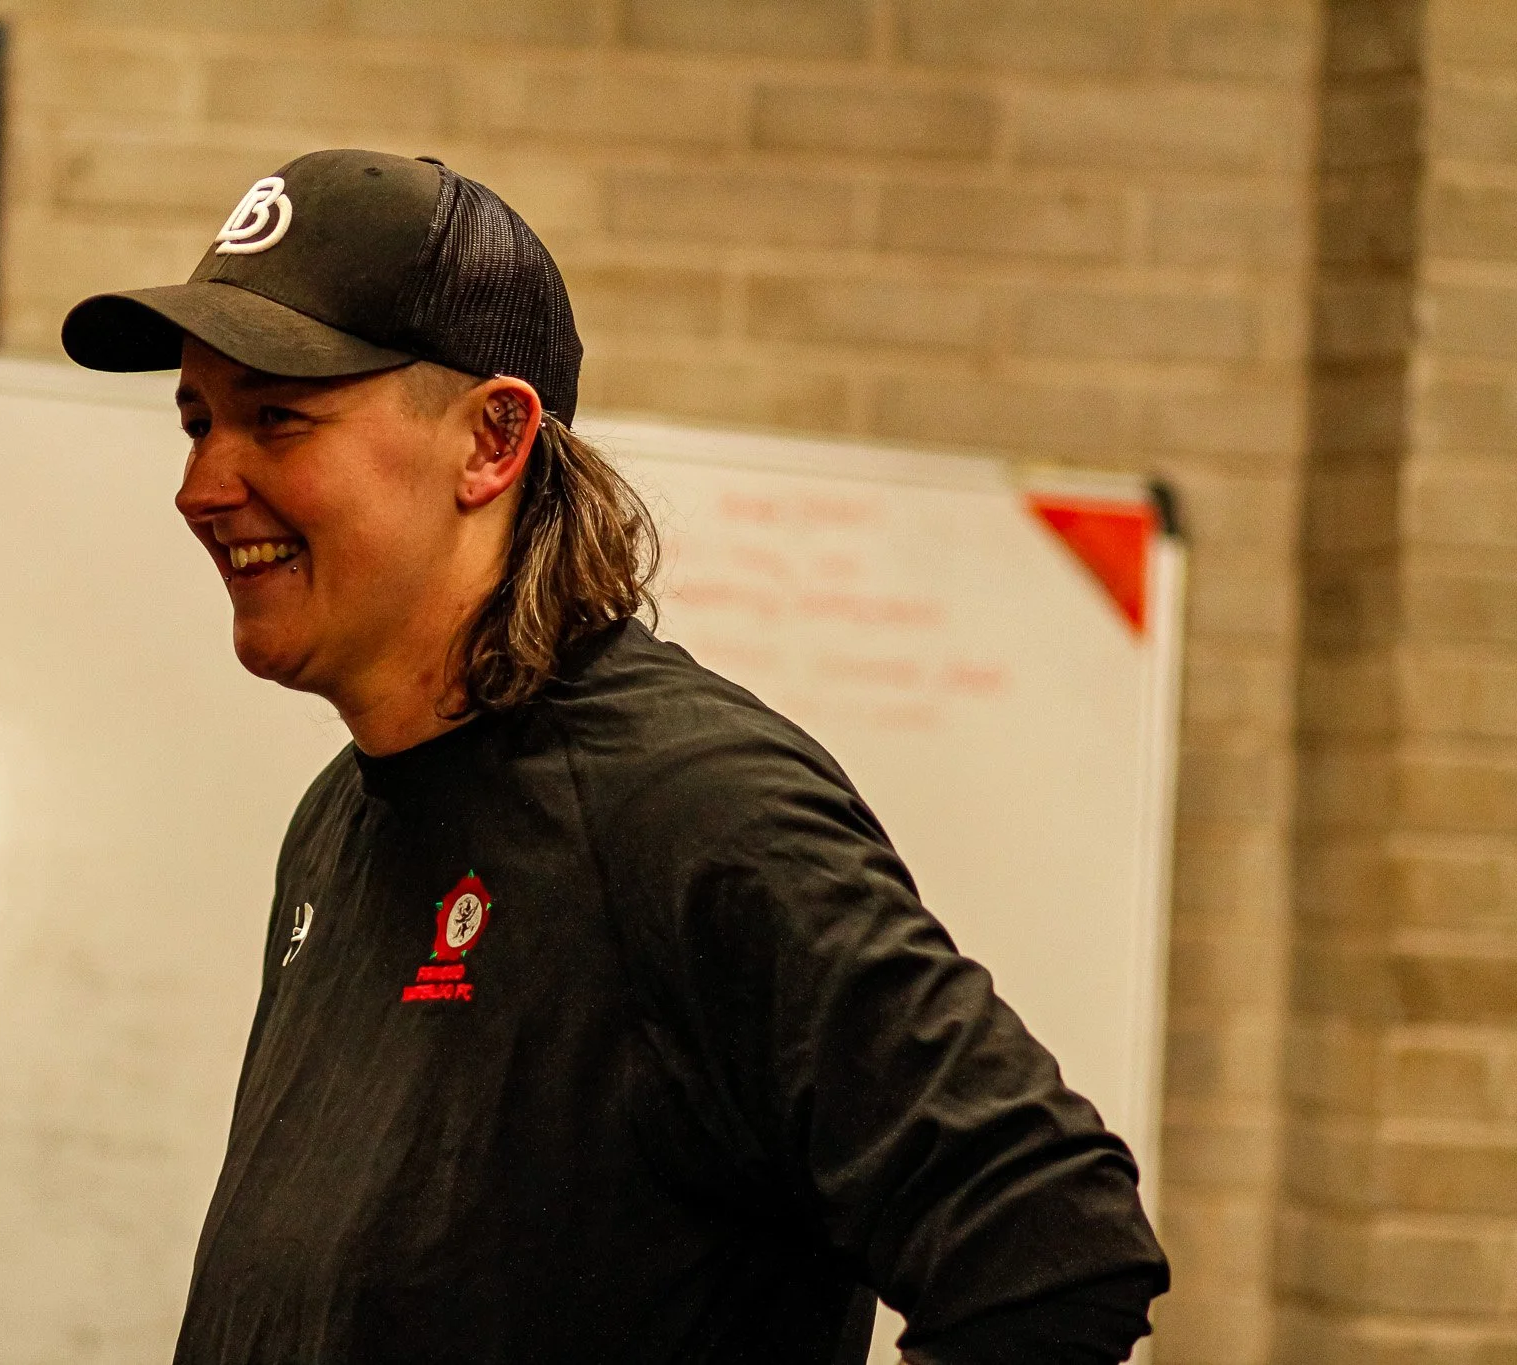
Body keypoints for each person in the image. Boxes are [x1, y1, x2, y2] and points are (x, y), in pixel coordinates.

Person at [61, 149, 1169, 1365]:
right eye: (197, 420)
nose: (201, 485)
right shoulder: (342, 819)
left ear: (491, 440)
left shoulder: (685, 809)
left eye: (276, 418)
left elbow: (1052, 1244)